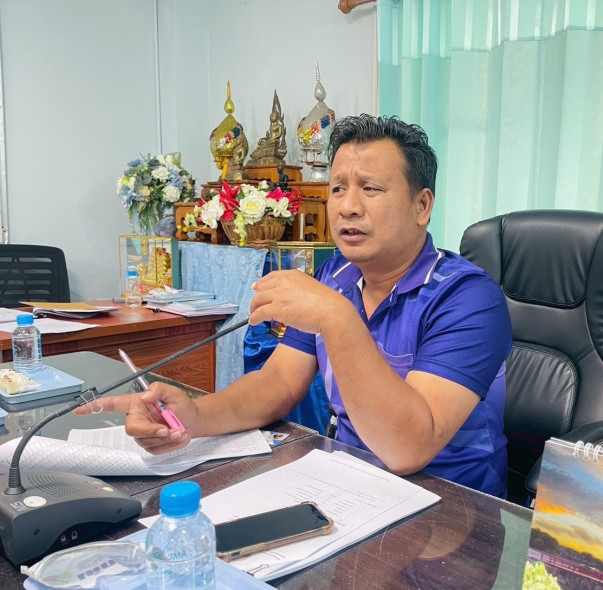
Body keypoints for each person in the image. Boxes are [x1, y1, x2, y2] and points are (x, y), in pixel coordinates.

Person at [76, 114, 512, 497]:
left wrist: (337, 317)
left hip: (452, 508)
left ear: (422, 205)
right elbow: (280, 381)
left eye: (371, 188)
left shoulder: (468, 298)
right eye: (338, 189)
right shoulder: (335, 276)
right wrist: (195, 416)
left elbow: (408, 449)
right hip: (352, 484)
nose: (348, 207)